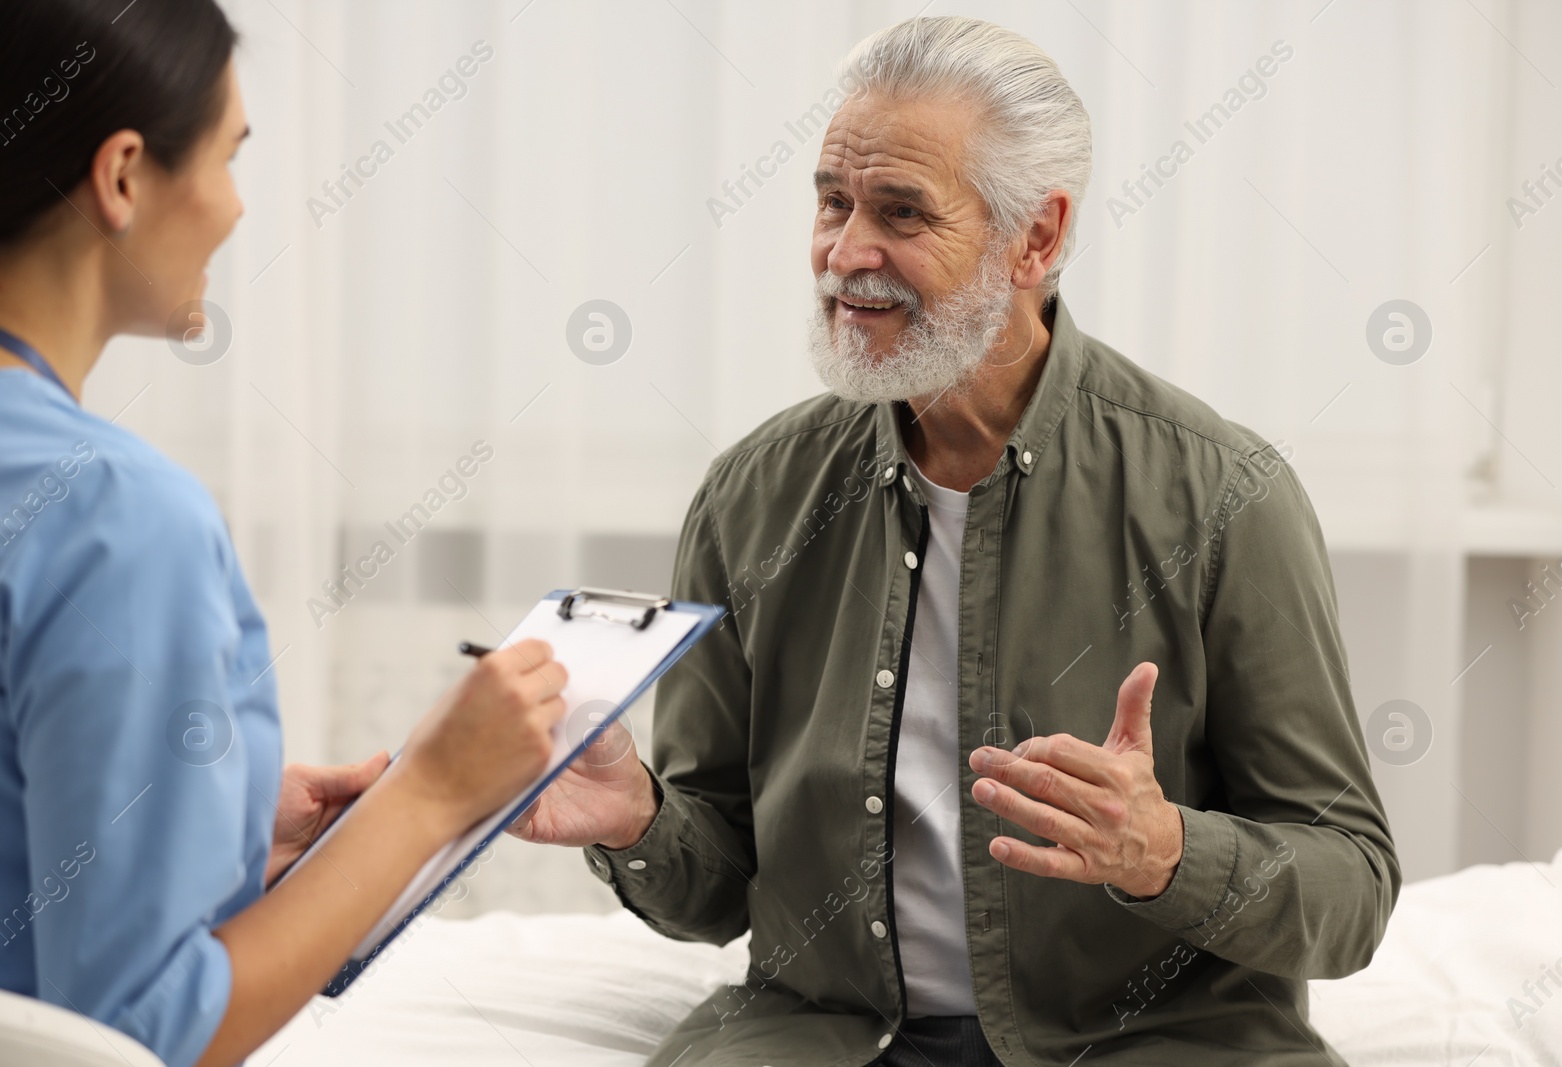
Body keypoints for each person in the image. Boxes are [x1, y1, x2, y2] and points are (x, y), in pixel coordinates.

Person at [513, 15, 1400, 1066]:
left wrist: (1166, 850)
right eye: (832, 202)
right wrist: (636, 818)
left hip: (1152, 1040)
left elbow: (1350, 884)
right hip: (827, 1034)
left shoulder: (1222, 494)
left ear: (1037, 237)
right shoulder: (750, 497)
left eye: (900, 212)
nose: (846, 253)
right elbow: (713, 886)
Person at [0, 3, 569, 1065]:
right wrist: (430, 793)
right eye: (228, 155)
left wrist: (201, 832)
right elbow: (133, 1039)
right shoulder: (115, 515)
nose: (235, 205)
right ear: (123, 176)